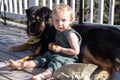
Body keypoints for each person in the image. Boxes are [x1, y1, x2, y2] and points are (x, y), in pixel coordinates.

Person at [8, 3, 82, 80]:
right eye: (56, 20)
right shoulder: (59, 31)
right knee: (42, 58)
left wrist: (61, 49)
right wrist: (53, 45)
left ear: (71, 20)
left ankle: (43, 75)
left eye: (63, 20)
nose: (60, 23)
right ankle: (22, 65)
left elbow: (76, 51)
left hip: (67, 58)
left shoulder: (71, 35)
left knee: (56, 63)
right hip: (56, 54)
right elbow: (60, 43)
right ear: (52, 20)